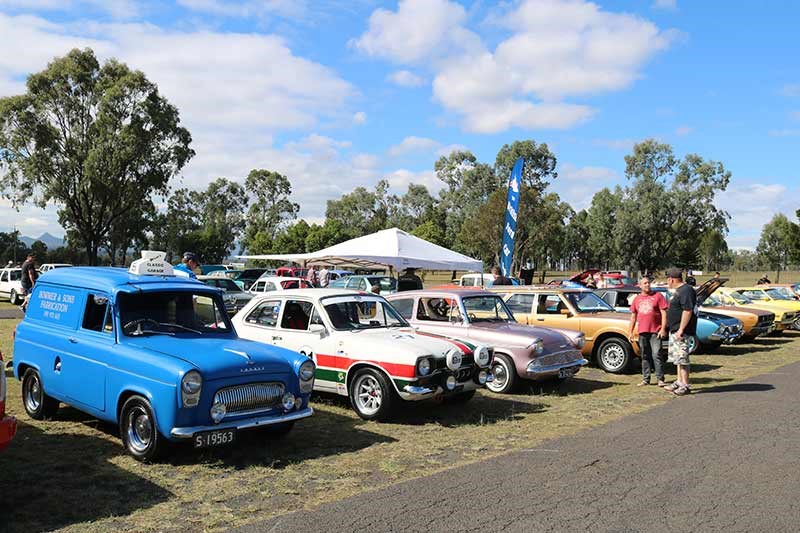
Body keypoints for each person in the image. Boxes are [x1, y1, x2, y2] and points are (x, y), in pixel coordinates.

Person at [663, 268, 697, 396]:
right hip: (675, 330)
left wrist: (681, 329)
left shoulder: (686, 290)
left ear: (671, 279)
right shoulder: (678, 291)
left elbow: (687, 310)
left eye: (668, 279)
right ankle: (678, 381)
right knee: (677, 358)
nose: (667, 281)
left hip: (682, 332)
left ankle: (685, 385)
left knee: (682, 358)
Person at [629, 277, 669, 387]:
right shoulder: (637, 299)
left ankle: (660, 379)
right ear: (640, 286)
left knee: (657, 354)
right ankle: (646, 379)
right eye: (645, 283)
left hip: (655, 331)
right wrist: (630, 332)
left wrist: (663, 329)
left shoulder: (658, 296)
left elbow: (664, 313)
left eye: (648, 283)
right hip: (642, 331)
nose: (647, 285)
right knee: (644, 355)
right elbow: (633, 316)